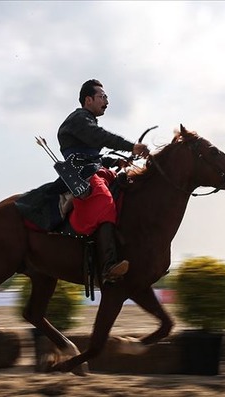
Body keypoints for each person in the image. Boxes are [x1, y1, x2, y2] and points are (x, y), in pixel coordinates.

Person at [57, 79, 149, 281]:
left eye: (106, 97)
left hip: (94, 169)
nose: (106, 100)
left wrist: (116, 160)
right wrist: (131, 147)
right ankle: (108, 265)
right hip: (83, 175)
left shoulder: (87, 120)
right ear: (88, 100)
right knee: (104, 200)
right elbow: (100, 138)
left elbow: (93, 156)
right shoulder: (79, 118)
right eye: (102, 96)